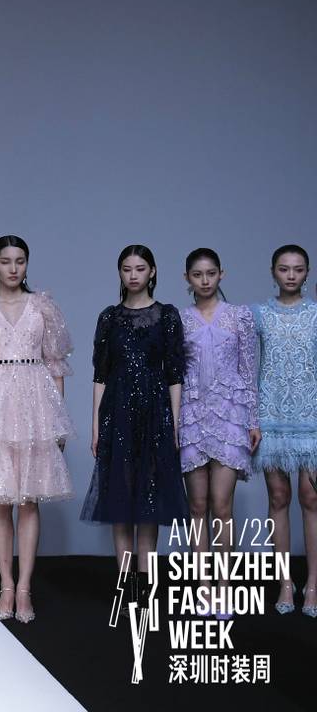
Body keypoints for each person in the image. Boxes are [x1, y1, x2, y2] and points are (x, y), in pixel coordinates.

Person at [0, 235, 74, 624]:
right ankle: (5, 585)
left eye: (20, 260)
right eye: (6, 261)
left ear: (27, 264)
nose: (13, 268)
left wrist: (57, 419)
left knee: (29, 499)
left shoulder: (42, 307)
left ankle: (24, 589)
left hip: (35, 407)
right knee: (1, 499)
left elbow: (55, 367)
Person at [81, 244, 187, 612]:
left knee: (149, 503)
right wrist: (96, 426)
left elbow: (175, 374)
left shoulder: (167, 316)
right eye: (127, 269)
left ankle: (146, 588)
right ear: (120, 273)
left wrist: (175, 424)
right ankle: (125, 587)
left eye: (140, 268)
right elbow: (100, 375)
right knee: (120, 501)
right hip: (118, 414)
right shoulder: (109, 318)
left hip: (156, 414)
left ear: (152, 272)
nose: (133, 275)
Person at [179, 248, 259, 619]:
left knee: (222, 506)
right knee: (197, 507)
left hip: (230, 415)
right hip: (192, 414)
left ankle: (224, 587)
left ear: (221, 274)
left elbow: (249, 370)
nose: (205, 280)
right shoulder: (180, 320)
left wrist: (252, 420)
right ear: (187, 279)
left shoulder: (239, 316)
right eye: (198, 274)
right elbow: (174, 375)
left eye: (211, 273)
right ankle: (203, 589)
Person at [252, 244, 317, 615]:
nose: (291, 275)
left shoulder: (316, 314)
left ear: (307, 273)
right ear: (273, 271)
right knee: (278, 498)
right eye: (284, 268)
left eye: (298, 269)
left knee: (311, 499)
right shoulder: (259, 315)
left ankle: (314, 583)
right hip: (271, 417)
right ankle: (286, 583)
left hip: (311, 419)